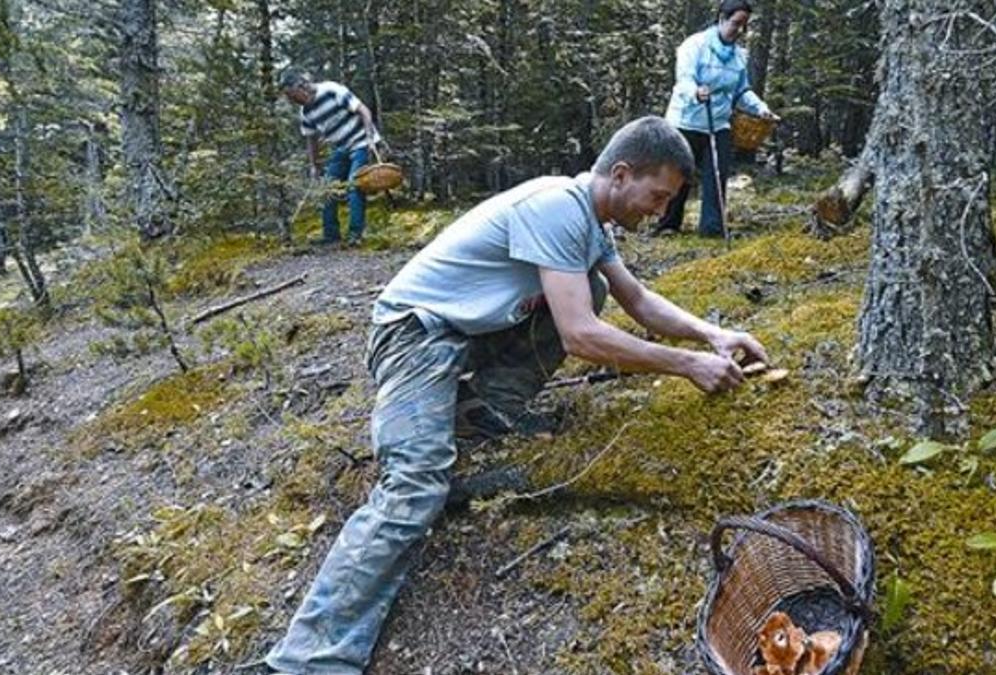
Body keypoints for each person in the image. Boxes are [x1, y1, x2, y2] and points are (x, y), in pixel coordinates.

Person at [264, 116, 770, 674]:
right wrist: (685, 364)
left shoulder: (590, 223)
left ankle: (484, 411)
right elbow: (580, 335)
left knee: (594, 285)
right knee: (414, 486)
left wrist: (712, 335)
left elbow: (639, 300)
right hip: (414, 335)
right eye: (657, 195)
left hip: (466, 333)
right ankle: (306, 659)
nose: (660, 210)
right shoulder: (556, 206)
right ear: (621, 174)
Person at [655, 0, 779, 238]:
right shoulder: (695, 45)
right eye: (736, 23)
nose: (740, 30)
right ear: (722, 18)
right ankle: (668, 224)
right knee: (678, 175)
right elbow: (684, 80)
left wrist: (761, 109)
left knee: (717, 175)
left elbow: (742, 91)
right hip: (686, 121)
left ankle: (711, 228)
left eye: (744, 25)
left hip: (718, 123)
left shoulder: (739, 57)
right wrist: (695, 92)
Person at [279, 71, 382, 247]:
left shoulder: (331, 90)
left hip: (361, 142)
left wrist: (370, 138)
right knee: (327, 188)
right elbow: (311, 139)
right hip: (341, 147)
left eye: (292, 96)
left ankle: (355, 235)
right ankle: (331, 235)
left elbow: (363, 110)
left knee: (354, 185)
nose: (292, 101)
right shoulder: (305, 112)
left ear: (302, 86)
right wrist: (313, 165)